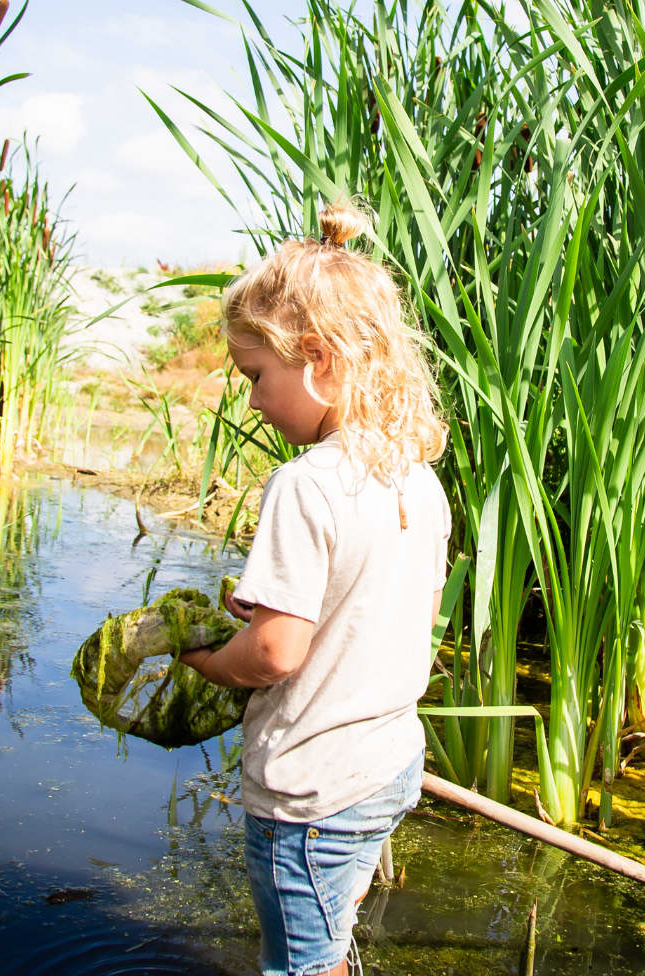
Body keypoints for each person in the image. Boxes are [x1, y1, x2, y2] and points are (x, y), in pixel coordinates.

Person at [179, 199, 450, 976]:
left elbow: (274, 653)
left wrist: (209, 657)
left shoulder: (305, 484)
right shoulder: (417, 479)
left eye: (257, 376)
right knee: (327, 945)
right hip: (387, 767)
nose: (254, 401)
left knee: (298, 964)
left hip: (311, 790)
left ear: (319, 360)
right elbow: (397, 615)